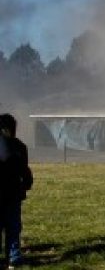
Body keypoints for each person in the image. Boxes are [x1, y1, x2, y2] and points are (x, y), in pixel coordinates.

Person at [0, 114, 33, 268]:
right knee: (13, 227)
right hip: (13, 193)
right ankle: (14, 256)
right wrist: (27, 184)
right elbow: (24, 171)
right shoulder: (20, 146)